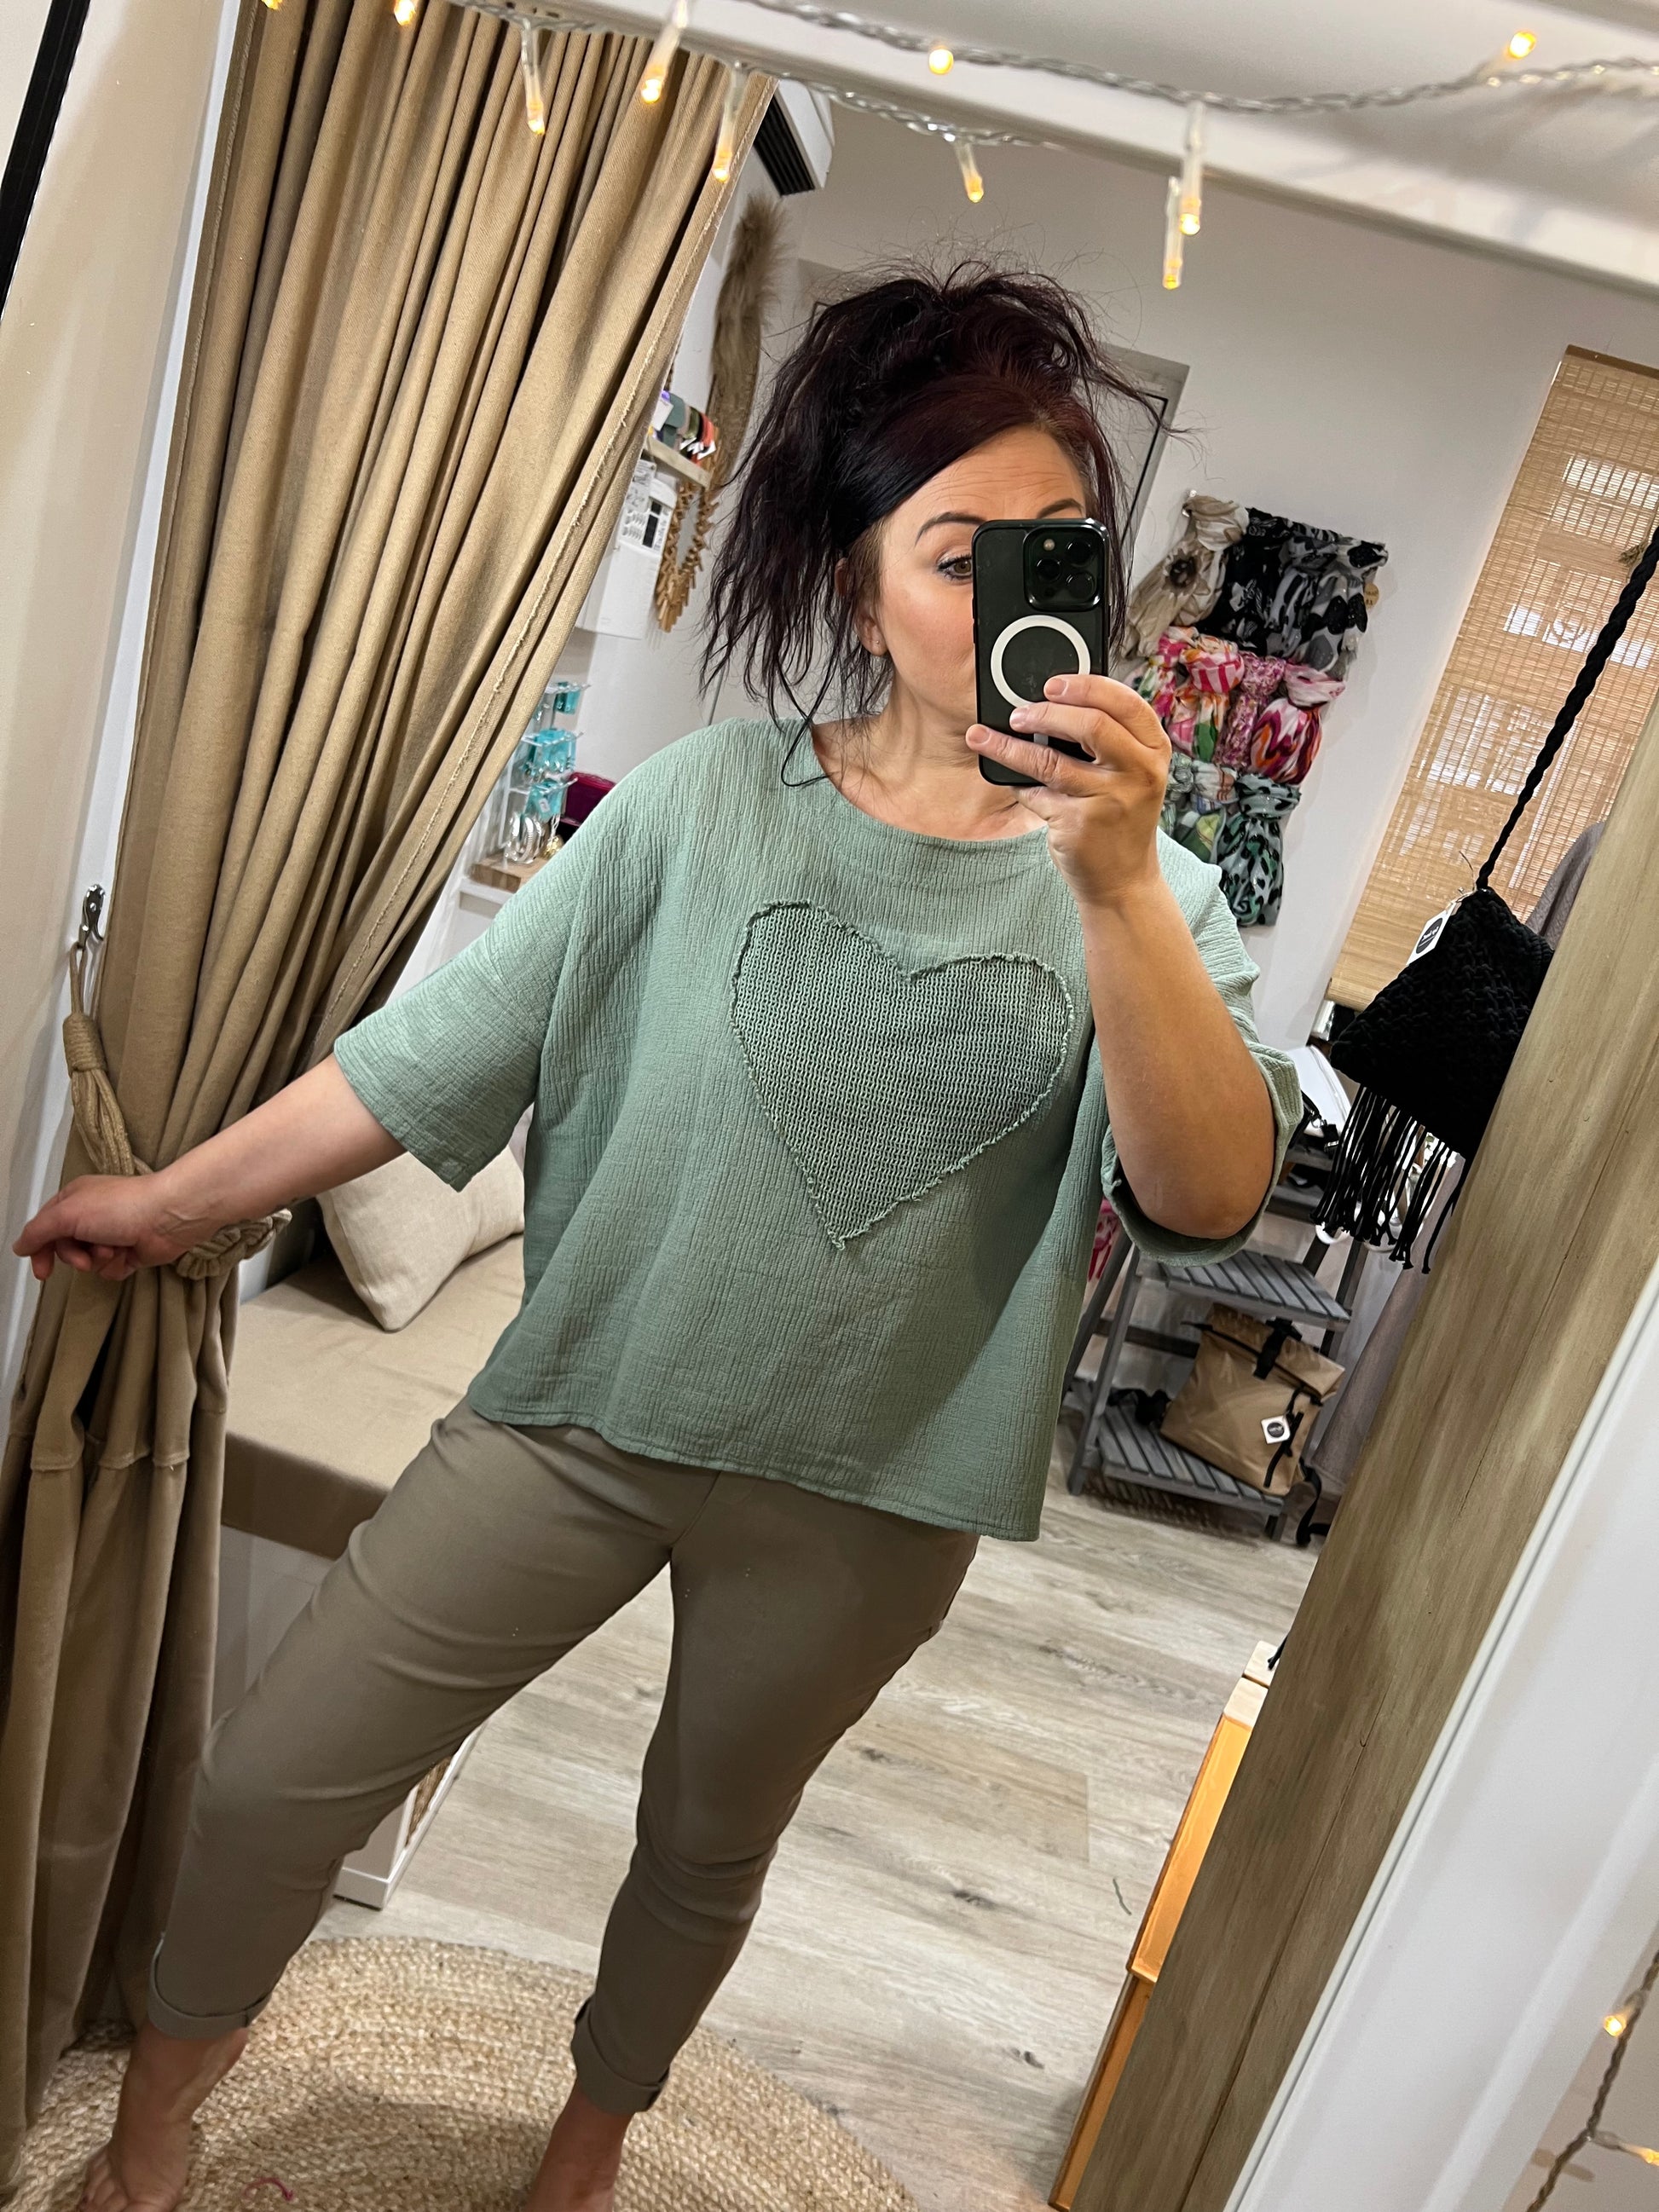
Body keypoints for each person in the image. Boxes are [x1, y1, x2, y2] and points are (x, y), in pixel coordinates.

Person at [18, 263, 1299, 2212]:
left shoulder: (1159, 892)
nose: (1009, 597)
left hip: (873, 1491)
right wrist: (172, 1198)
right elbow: (441, 1048)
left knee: (704, 1844)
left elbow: (1205, 1198)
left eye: (1050, 546)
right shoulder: (702, 806)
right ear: (851, 583)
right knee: (275, 1775)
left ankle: (589, 2142)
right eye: (955, 551)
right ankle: (156, 2124)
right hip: (580, 1412)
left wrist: (1117, 886)